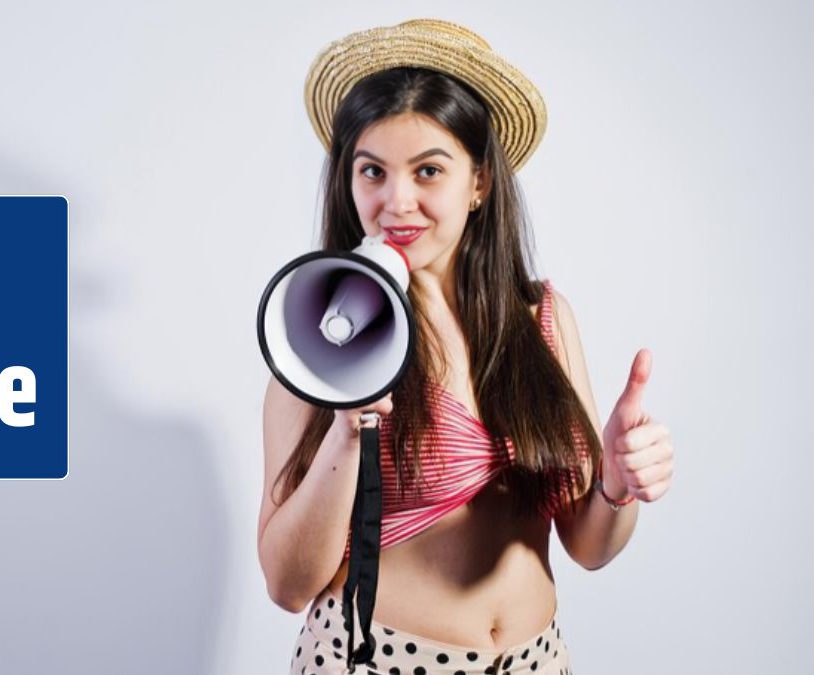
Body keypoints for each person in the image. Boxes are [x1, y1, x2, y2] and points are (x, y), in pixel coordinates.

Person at [257, 19, 675, 675]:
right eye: (373, 171)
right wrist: (345, 429)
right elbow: (286, 584)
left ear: (478, 182)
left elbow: (590, 546)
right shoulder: (318, 338)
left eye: (428, 170)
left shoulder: (544, 320)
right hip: (378, 660)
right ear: (348, 180)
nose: (398, 200)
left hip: (536, 660)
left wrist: (618, 486)